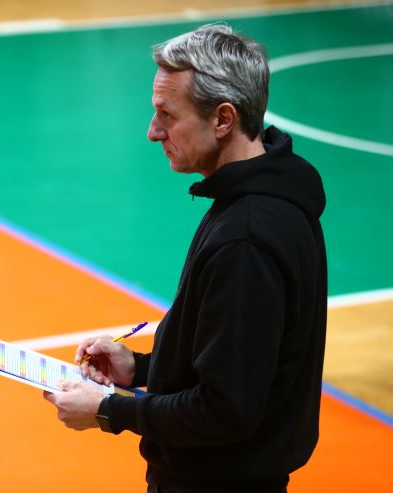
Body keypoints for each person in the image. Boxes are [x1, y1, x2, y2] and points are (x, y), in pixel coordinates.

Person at [43, 23, 327, 493]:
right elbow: (239, 360)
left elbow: (225, 410)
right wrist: (140, 367)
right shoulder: (264, 201)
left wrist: (108, 409)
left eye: (167, 114)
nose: (153, 132)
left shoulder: (247, 239)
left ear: (223, 119)